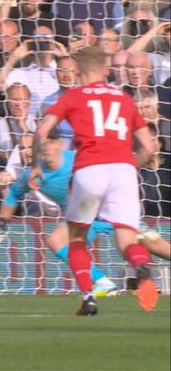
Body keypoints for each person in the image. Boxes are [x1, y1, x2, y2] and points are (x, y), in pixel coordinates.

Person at [32, 46, 159, 315]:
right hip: (124, 171)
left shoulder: (74, 96)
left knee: (75, 238)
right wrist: (127, 167)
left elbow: (42, 130)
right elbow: (148, 147)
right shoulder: (124, 98)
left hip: (90, 169)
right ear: (106, 70)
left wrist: (34, 166)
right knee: (127, 240)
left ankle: (88, 296)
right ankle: (141, 266)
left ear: (78, 70)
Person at [0, 128, 119, 297]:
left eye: (50, 143)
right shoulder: (33, 175)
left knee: (153, 245)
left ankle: (109, 279)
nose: (46, 148)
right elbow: (13, 194)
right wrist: (1, 226)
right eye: (41, 145)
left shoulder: (77, 160)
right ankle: (103, 283)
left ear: (60, 144)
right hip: (82, 218)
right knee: (57, 240)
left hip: (112, 212)